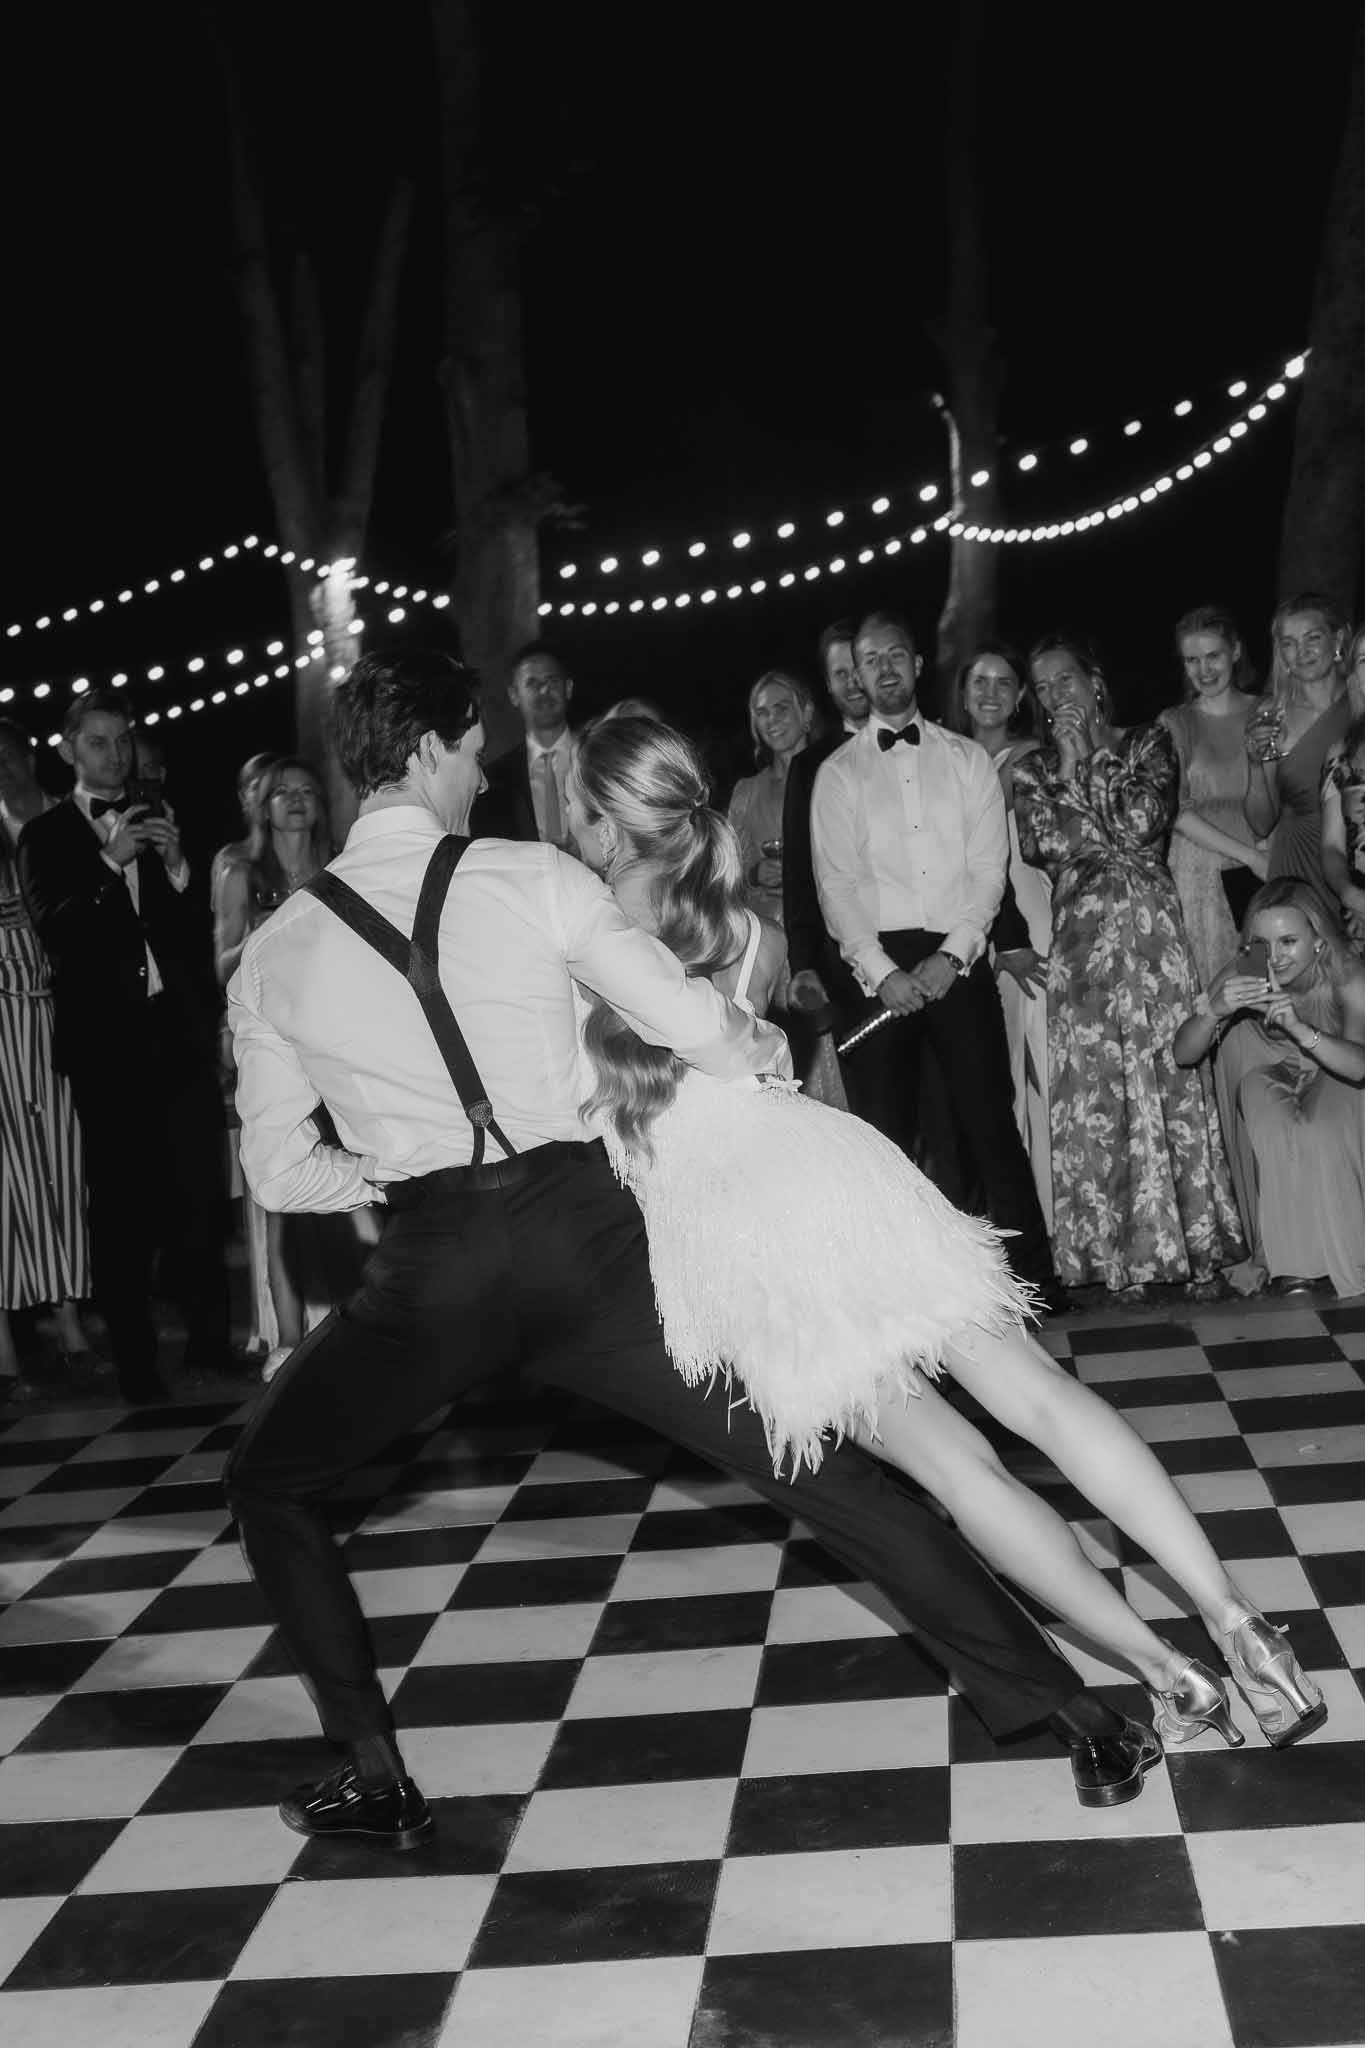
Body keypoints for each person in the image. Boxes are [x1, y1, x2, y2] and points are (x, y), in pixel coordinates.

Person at [224, 648, 1162, 1851]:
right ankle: (1085, 1718)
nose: (478, 775)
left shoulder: (276, 952)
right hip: (591, 1244)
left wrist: (397, 1178)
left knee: (269, 1476)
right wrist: (763, 1059)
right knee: (826, 1474)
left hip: (433, 1260)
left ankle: (369, 1766)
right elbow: (695, 1027)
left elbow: (280, 1171)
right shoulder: (531, 876)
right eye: (470, 752)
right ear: (426, 750)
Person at [568, 713, 1324, 1757]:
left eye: (575, 811)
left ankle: (1170, 1670)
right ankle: (1238, 1616)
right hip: (829, 1172)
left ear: (607, 826)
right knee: (1044, 1399)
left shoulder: (585, 946)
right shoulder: (754, 933)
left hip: (739, 1235)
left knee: (961, 1470)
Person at [811, 609, 1062, 1309]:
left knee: (988, 1121)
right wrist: (881, 972)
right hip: (878, 964)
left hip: (956, 953)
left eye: (896, 654)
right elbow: (836, 885)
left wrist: (951, 959)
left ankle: (1031, 1282)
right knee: (886, 1135)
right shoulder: (836, 775)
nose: (885, 668)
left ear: (918, 664)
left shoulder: (967, 759)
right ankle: (896, 1299)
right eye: (870, 659)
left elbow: (989, 870)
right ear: (854, 677)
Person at [1012, 634, 1244, 1298]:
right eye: (1044, 687)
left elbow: (1140, 821)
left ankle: (1192, 1249)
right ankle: (1110, 1260)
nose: (1056, 697)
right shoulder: (1031, 769)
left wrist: (1086, 762)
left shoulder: (1146, 744)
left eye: (1065, 682)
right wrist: (1070, 767)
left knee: (1163, 1076)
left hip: (1151, 936)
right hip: (1082, 944)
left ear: (1094, 682)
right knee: (1092, 1093)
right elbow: (1042, 842)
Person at [19, 691, 231, 1403]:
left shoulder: (163, 818)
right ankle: (137, 1363)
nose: (115, 754)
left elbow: (185, 937)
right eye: (99, 742)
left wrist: (177, 873)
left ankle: (210, 1341)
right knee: (122, 1210)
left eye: (123, 740)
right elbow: (60, 929)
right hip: (107, 1049)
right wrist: (108, 864)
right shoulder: (44, 836)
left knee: (199, 1196)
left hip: (177, 1037)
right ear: (68, 750)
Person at [215, 757, 344, 1381]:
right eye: (282, 793)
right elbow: (219, 962)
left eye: (306, 791)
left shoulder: (340, 868)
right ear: (263, 807)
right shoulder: (242, 872)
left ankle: (351, 1321)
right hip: (271, 1040)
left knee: (348, 1182)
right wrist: (264, 932)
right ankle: (287, 1339)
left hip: (335, 1039)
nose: (295, 801)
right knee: (283, 1191)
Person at [1175, 880, 1365, 1299]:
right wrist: (1214, 1012)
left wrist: (1302, 1030)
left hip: (1340, 1071)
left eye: (1290, 941)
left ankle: (1349, 1257)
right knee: (1268, 1115)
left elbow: (1359, 1067)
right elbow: (1184, 1053)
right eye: (1261, 943)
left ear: (1318, 940)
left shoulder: (1348, 972)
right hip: (1269, 1068)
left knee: (1320, 1129)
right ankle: (1293, 1264)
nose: (1275, 956)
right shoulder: (1247, 969)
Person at [946, 642, 1053, 1230]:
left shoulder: (1030, 757)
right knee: (989, 1074)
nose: (989, 692)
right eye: (979, 681)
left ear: (1019, 697)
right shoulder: (946, 751)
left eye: (1003, 682)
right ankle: (1002, 1218)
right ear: (963, 692)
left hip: (1020, 911)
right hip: (961, 917)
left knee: (1031, 1057)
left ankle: (1046, 1218)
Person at [0, 720, 91, 1397]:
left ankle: (71, 1313)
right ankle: (29, 1329)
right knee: (18, 1172)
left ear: (30, 756)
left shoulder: (66, 821)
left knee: (68, 1157)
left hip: (64, 1009)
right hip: (3, 1017)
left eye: (7, 754)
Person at [1157, 606, 1265, 988]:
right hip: (1199, 875)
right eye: (1192, 660)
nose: (1204, 670)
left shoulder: (1266, 711)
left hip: (1261, 870)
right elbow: (1176, 811)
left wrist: (1264, 855)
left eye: (1213, 656)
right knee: (1210, 990)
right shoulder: (1175, 722)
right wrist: (1249, 855)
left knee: (1260, 982)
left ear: (1235, 652)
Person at [1244, 592, 1353, 899]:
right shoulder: (1272, 715)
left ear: (1338, 638)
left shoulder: (1359, 705)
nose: (1301, 652)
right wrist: (1253, 763)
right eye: (1289, 643)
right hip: (1296, 867)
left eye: (1312, 638)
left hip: (1355, 857)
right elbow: (1260, 824)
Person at [468, 641, 578, 851]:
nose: (544, 690)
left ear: (568, 688)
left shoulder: (598, 761)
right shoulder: (492, 780)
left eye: (552, 680)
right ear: (514, 694)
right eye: (532, 683)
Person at [728, 670, 817, 927]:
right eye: (762, 712)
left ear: (807, 713)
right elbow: (726, 871)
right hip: (767, 932)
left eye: (781, 708)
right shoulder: (747, 792)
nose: (771, 720)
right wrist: (755, 874)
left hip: (826, 931)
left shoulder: (833, 780)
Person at [1317, 624, 1365, 938]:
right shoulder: (1341, 754)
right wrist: (1350, 894)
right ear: (1355, 675)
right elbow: (1332, 846)